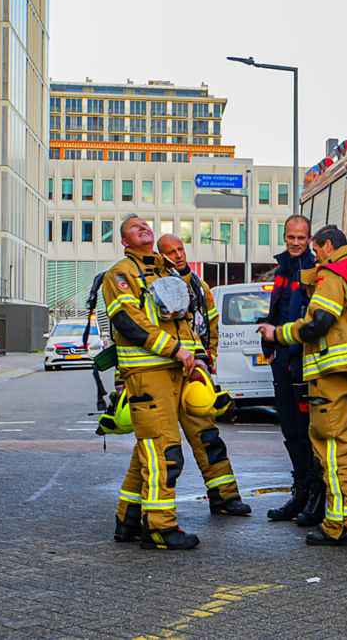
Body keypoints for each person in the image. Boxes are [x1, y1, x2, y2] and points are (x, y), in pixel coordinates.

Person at [259, 225, 347, 546]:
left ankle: (335, 526)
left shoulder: (334, 272)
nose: (314, 256)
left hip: (331, 375)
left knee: (330, 450)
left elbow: (319, 322)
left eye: (316, 250)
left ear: (328, 246)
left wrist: (279, 334)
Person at [103, 215, 199, 550]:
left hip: (171, 372)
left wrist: (194, 358)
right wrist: (176, 350)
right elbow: (129, 322)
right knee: (165, 452)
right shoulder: (121, 274)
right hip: (147, 373)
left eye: (145, 223)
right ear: (125, 242)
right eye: (133, 227)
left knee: (146, 451)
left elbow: (185, 319)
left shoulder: (165, 270)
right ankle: (159, 528)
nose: (142, 227)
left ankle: (127, 521)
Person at [155, 233, 252, 517]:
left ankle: (225, 497)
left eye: (180, 249)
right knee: (159, 445)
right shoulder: (156, 286)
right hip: (164, 372)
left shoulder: (199, 286)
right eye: (170, 252)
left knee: (208, 436)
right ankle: (142, 509)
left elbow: (211, 326)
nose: (178, 255)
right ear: (161, 257)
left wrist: (208, 361)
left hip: (194, 373)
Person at [260, 215, 323, 525]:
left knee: (306, 430)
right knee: (289, 429)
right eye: (290, 237)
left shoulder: (313, 270)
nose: (296, 242)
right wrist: (270, 352)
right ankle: (300, 491)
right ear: (284, 237)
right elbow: (278, 309)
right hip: (282, 360)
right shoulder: (283, 268)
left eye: (301, 237)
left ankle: (315, 495)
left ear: (309, 239)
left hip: (303, 361)